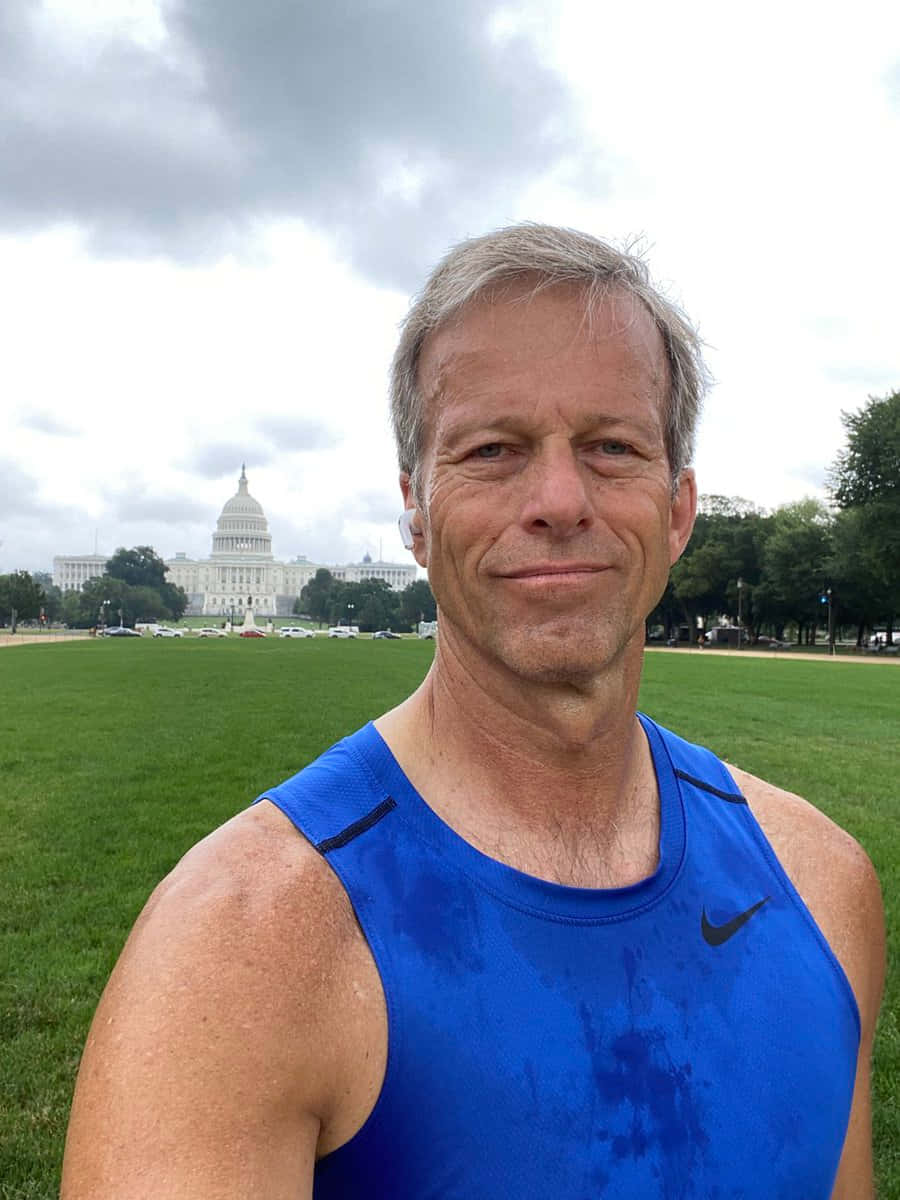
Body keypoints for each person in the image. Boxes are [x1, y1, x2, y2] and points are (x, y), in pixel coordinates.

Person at [62, 224, 884, 1198]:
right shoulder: (234, 950)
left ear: (678, 509)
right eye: (494, 450)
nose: (558, 499)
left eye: (611, 446)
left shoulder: (824, 886)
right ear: (415, 512)